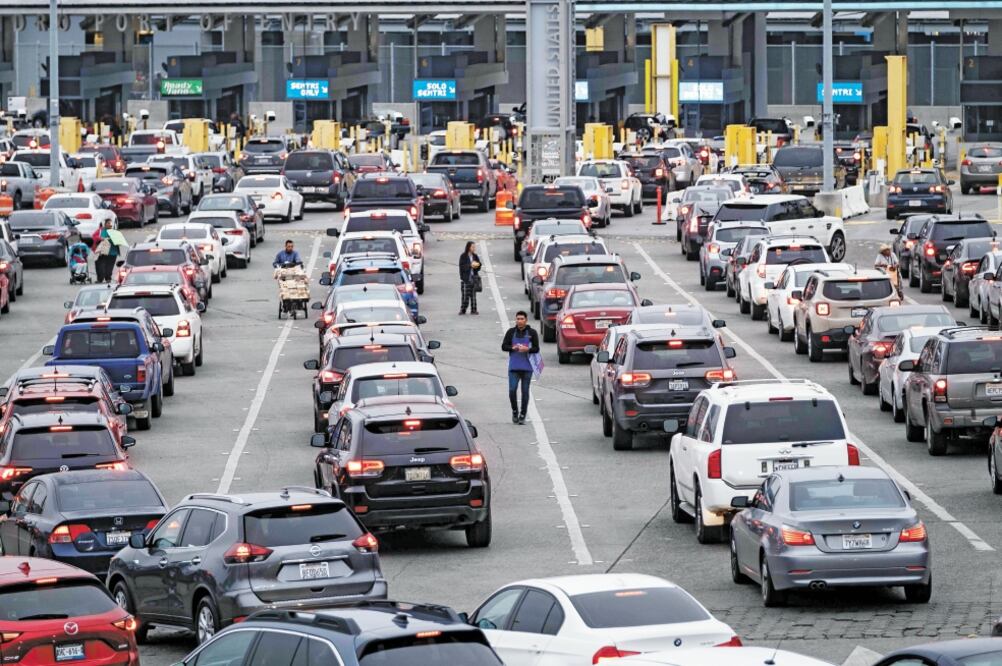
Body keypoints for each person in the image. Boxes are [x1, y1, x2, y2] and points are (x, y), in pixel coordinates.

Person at [501, 311, 539, 425]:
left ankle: (523, 414)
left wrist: (527, 349)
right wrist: (513, 348)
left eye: (522, 318)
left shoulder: (532, 332)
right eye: (518, 319)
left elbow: (536, 348)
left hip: (527, 367)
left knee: (525, 391)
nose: (519, 321)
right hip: (514, 367)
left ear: (526, 320)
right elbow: (503, 346)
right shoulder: (511, 332)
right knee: (512, 390)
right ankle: (514, 411)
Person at [458, 241, 481, 315]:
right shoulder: (463, 256)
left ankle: (474, 309)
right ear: (468, 247)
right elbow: (462, 267)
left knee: (473, 295)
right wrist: (470, 265)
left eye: (474, 247)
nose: (474, 248)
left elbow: (479, 266)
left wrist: (477, 265)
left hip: (474, 277)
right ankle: (463, 309)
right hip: (466, 278)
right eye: (472, 247)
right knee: (465, 295)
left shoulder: (475, 256)